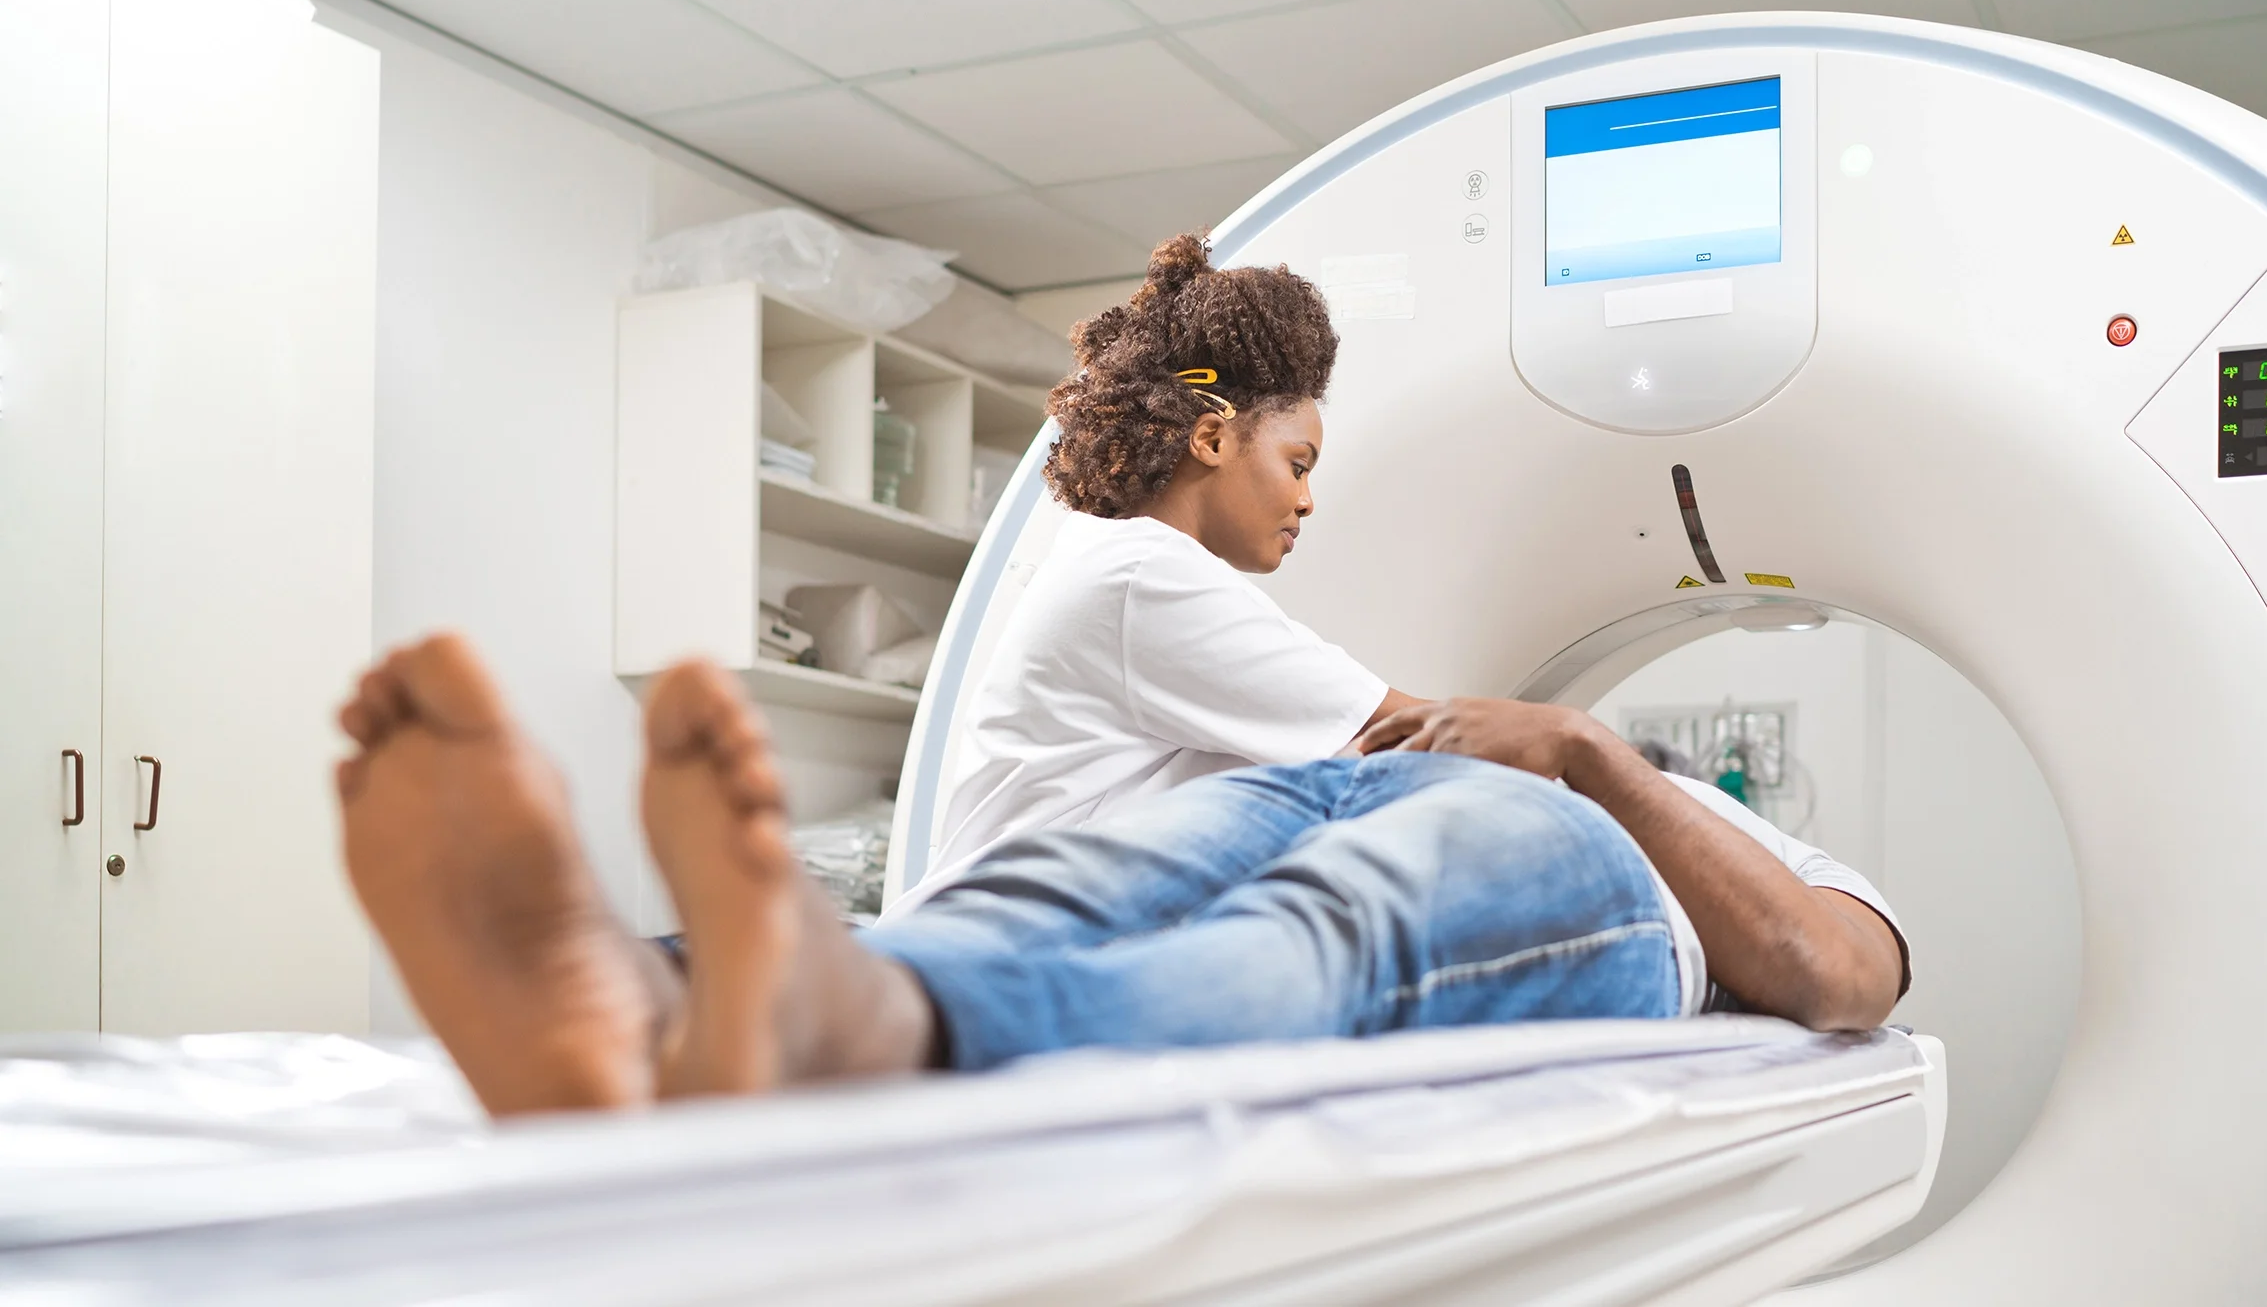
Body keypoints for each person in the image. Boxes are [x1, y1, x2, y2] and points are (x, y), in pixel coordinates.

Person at [337, 635, 1906, 1115]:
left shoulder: (1705, 827)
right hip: (1335, 779)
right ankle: (635, 988)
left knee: (1327, 940)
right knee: (1050, 886)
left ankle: (860, 1025)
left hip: (1566, 853)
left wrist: (1581, 750)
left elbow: (1834, 979)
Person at [921, 234, 1424, 909]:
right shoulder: (1144, 574)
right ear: (1212, 440)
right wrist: (1578, 746)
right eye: (1297, 466)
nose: (1306, 500)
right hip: (1004, 955)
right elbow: (1410, 735)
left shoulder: (1117, 559)